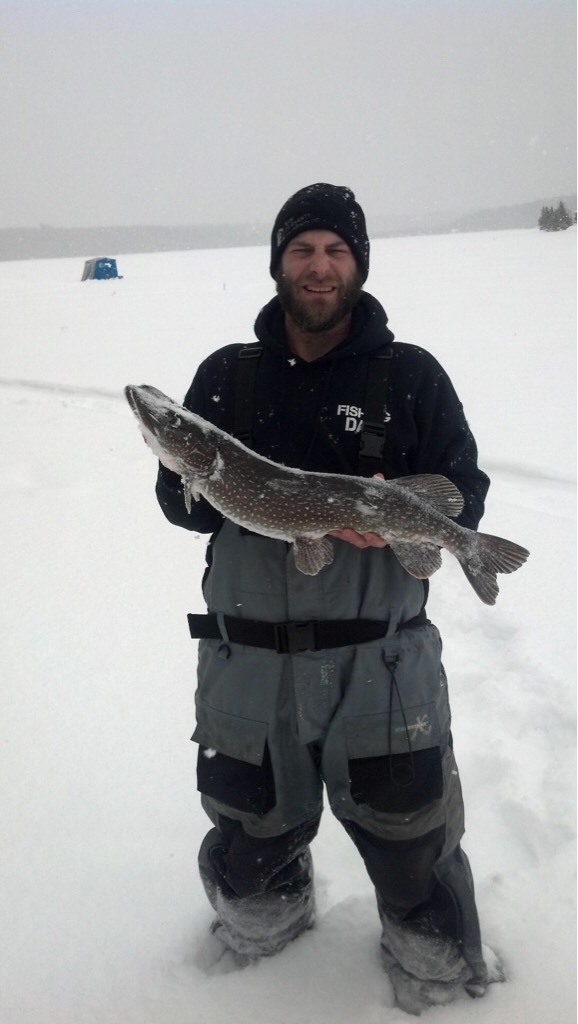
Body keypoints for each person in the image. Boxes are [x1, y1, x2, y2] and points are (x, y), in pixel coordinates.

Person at [155, 183, 498, 1015]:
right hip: (248, 664)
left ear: (358, 265)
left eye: (335, 251)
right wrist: (188, 475)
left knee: (411, 835)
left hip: (381, 663)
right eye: (302, 250)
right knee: (249, 830)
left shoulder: (410, 375)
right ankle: (262, 940)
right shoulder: (226, 376)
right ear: (278, 263)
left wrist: (399, 513)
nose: (318, 266)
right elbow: (180, 509)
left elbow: (464, 491)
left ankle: (439, 975)